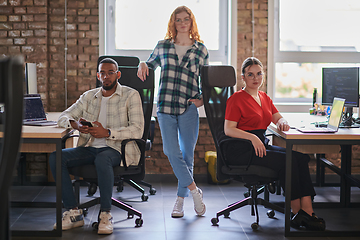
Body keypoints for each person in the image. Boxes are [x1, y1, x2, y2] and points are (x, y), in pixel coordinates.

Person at [223, 57, 326, 231]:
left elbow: (277, 116)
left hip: (261, 146)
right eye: (250, 75)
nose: (256, 78)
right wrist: (252, 137)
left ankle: (307, 210)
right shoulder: (237, 99)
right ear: (243, 78)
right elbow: (228, 129)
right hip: (242, 149)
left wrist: (282, 121)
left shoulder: (264, 97)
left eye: (259, 74)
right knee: (289, 162)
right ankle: (296, 212)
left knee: (301, 158)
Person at [49, 58, 144, 234]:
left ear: (118, 74)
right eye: (102, 73)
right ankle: (73, 212)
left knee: (103, 158)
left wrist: (107, 133)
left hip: (116, 149)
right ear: (97, 75)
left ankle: (106, 214)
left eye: (110, 72)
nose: (106, 76)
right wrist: (75, 124)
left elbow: (137, 130)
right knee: (56, 156)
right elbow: (64, 116)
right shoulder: (88, 97)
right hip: (90, 147)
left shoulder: (131, 95)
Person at [137, 5, 208, 218]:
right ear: (173, 22)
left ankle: (180, 201)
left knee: (187, 155)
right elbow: (149, 65)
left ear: (191, 21)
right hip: (165, 107)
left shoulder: (201, 50)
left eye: (186, 19)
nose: (183, 22)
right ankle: (195, 191)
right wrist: (142, 62)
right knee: (170, 151)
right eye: (178, 19)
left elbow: (206, 79)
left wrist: (202, 99)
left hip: (188, 108)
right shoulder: (163, 46)